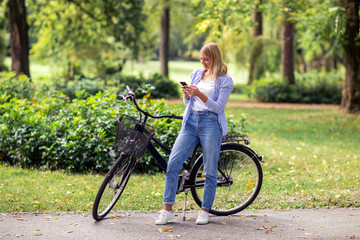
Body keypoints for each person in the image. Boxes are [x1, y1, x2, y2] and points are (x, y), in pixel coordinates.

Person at [155, 42, 233, 225]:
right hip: (190, 123)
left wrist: (198, 94)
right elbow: (187, 102)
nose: (203, 62)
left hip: (211, 124)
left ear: (215, 58)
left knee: (209, 171)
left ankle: (205, 210)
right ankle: (167, 210)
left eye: (206, 59)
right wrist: (188, 95)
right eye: (201, 59)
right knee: (173, 163)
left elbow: (218, 107)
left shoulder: (225, 80)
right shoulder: (197, 74)